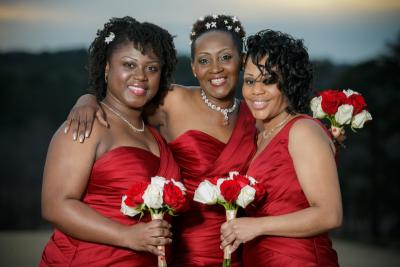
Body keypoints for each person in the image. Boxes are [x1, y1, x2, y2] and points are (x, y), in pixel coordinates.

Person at [63, 14, 257, 266]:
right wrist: (87, 99)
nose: (216, 68)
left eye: (225, 57)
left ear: (241, 61)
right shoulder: (171, 101)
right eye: (204, 60)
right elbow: (123, 103)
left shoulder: (255, 116)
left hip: (236, 248)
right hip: (178, 248)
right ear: (194, 68)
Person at [40, 16, 180, 266]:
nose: (141, 76)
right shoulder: (87, 125)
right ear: (107, 68)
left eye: (152, 68)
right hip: (92, 259)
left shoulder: (154, 132)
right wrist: (127, 236)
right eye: (129, 64)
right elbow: (55, 206)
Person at [220, 29, 342, 266]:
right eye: (249, 81)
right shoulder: (260, 135)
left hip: (299, 259)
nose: (256, 90)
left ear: (289, 82)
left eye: (268, 80)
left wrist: (257, 226)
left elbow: (330, 214)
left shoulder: (302, 131)